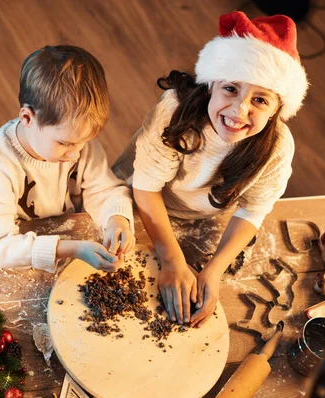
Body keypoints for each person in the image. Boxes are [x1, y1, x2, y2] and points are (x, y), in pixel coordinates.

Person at [113, 11, 308, 327]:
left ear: (277, 110)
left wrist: (214, 270)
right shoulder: (174, 113)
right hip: (136, 198)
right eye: (231, 89)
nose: (239, 109)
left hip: (199, 216)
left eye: (260, 100)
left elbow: (252, 211)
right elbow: (146, 188)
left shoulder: (277, 148)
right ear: (211, 84)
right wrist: (171, 258)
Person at [0, 45, 135, 274]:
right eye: (64, 144)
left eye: (83, 142)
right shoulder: (0, 163)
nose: (75, 154)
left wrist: (116, 219)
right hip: (26, 255)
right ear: (27, 117)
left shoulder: (76, 141)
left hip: (74, 233)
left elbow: (105, 190)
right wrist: (71, 249)